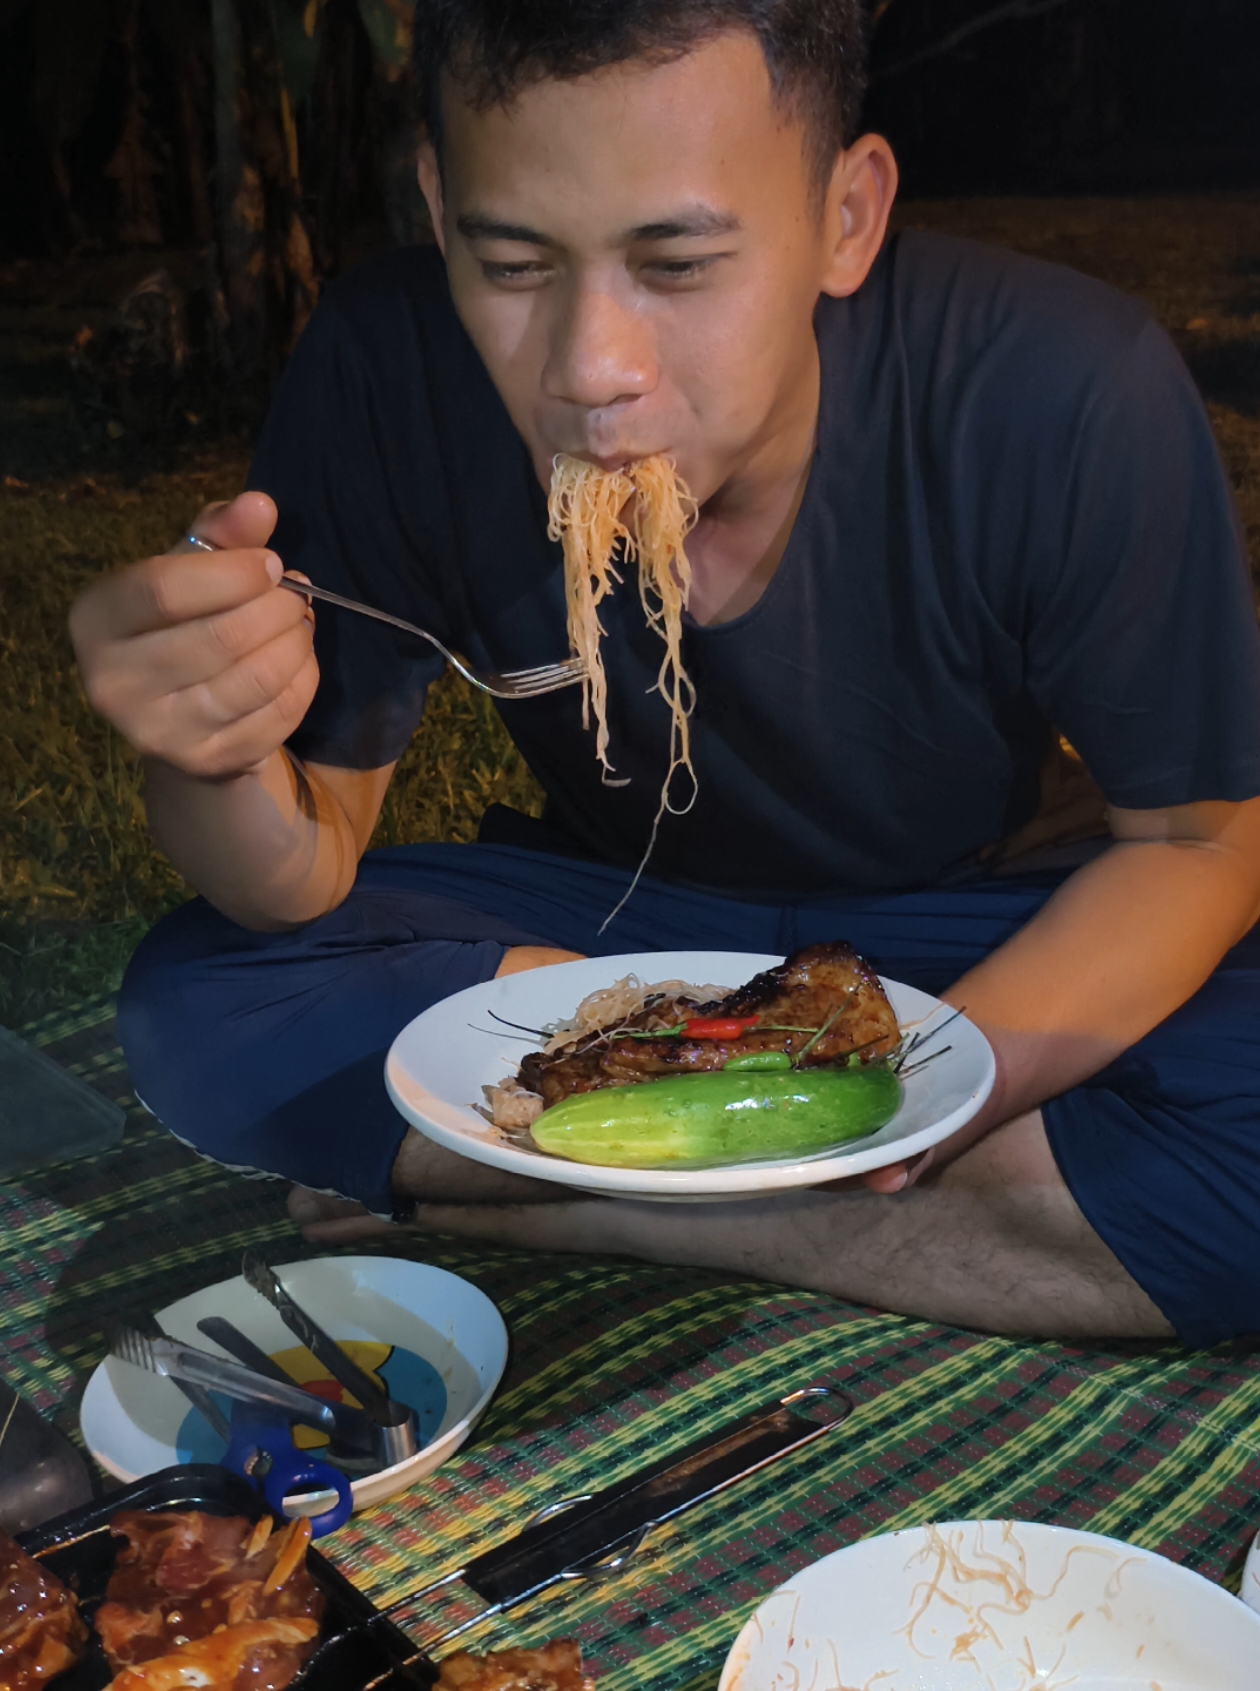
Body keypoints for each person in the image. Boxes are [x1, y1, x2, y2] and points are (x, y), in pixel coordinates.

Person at [68, 0, 1260, 1348]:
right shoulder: (389, 368)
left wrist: (917, 1088)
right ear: (435, 204)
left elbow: (1201, 843)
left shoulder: (1058, 390)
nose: (590, 372)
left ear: (846, 218)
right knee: (201, 995)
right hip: (613, 928)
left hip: (956, 921)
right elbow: (299, 868)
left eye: (679, 264)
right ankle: (915, 1213)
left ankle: (568, 1196)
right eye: (512, 262)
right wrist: (210, 748)